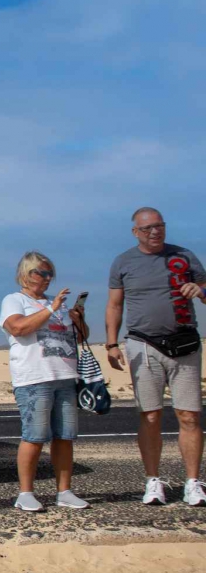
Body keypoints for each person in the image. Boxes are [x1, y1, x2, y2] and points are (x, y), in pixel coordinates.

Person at [105, 207, 206, 506]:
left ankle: (193, 483)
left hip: (184, 343)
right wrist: (111, 344)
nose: (154, 232)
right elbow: (114, 305)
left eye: (159, 226)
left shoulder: (184, 256)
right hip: (143, 344)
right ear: (135, 231)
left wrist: (199, 289)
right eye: (147, 228)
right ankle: (153, 482)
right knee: (150, 415)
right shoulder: (123, 262)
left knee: (189, 415)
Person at [0, 252, 90, 511]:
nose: (47, 278)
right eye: (41, 272)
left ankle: (65, 491)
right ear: (25, 274)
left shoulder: (57, 304)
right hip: (34, 378)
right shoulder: (14, 300)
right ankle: (25, 493)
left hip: (64, 376)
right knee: (35, 436)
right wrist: (50, 309)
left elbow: (80, 337)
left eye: (50, 273)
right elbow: (17, 328)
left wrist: (78, 320)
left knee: (65, 436)